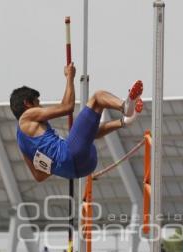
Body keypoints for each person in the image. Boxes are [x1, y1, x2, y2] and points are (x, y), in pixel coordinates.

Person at [10, 63, 143, 182]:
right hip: (73, 155)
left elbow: (39, 176)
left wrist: (58, 163)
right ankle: (124, 107)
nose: (41, 107)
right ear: (27, 103)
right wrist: (69, 77)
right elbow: (66, 107)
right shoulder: (26, 117)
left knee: (89, 133)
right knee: (97, 97)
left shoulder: (22, 143)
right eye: (37, 103)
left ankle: (124, 121)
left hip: (80, 169)